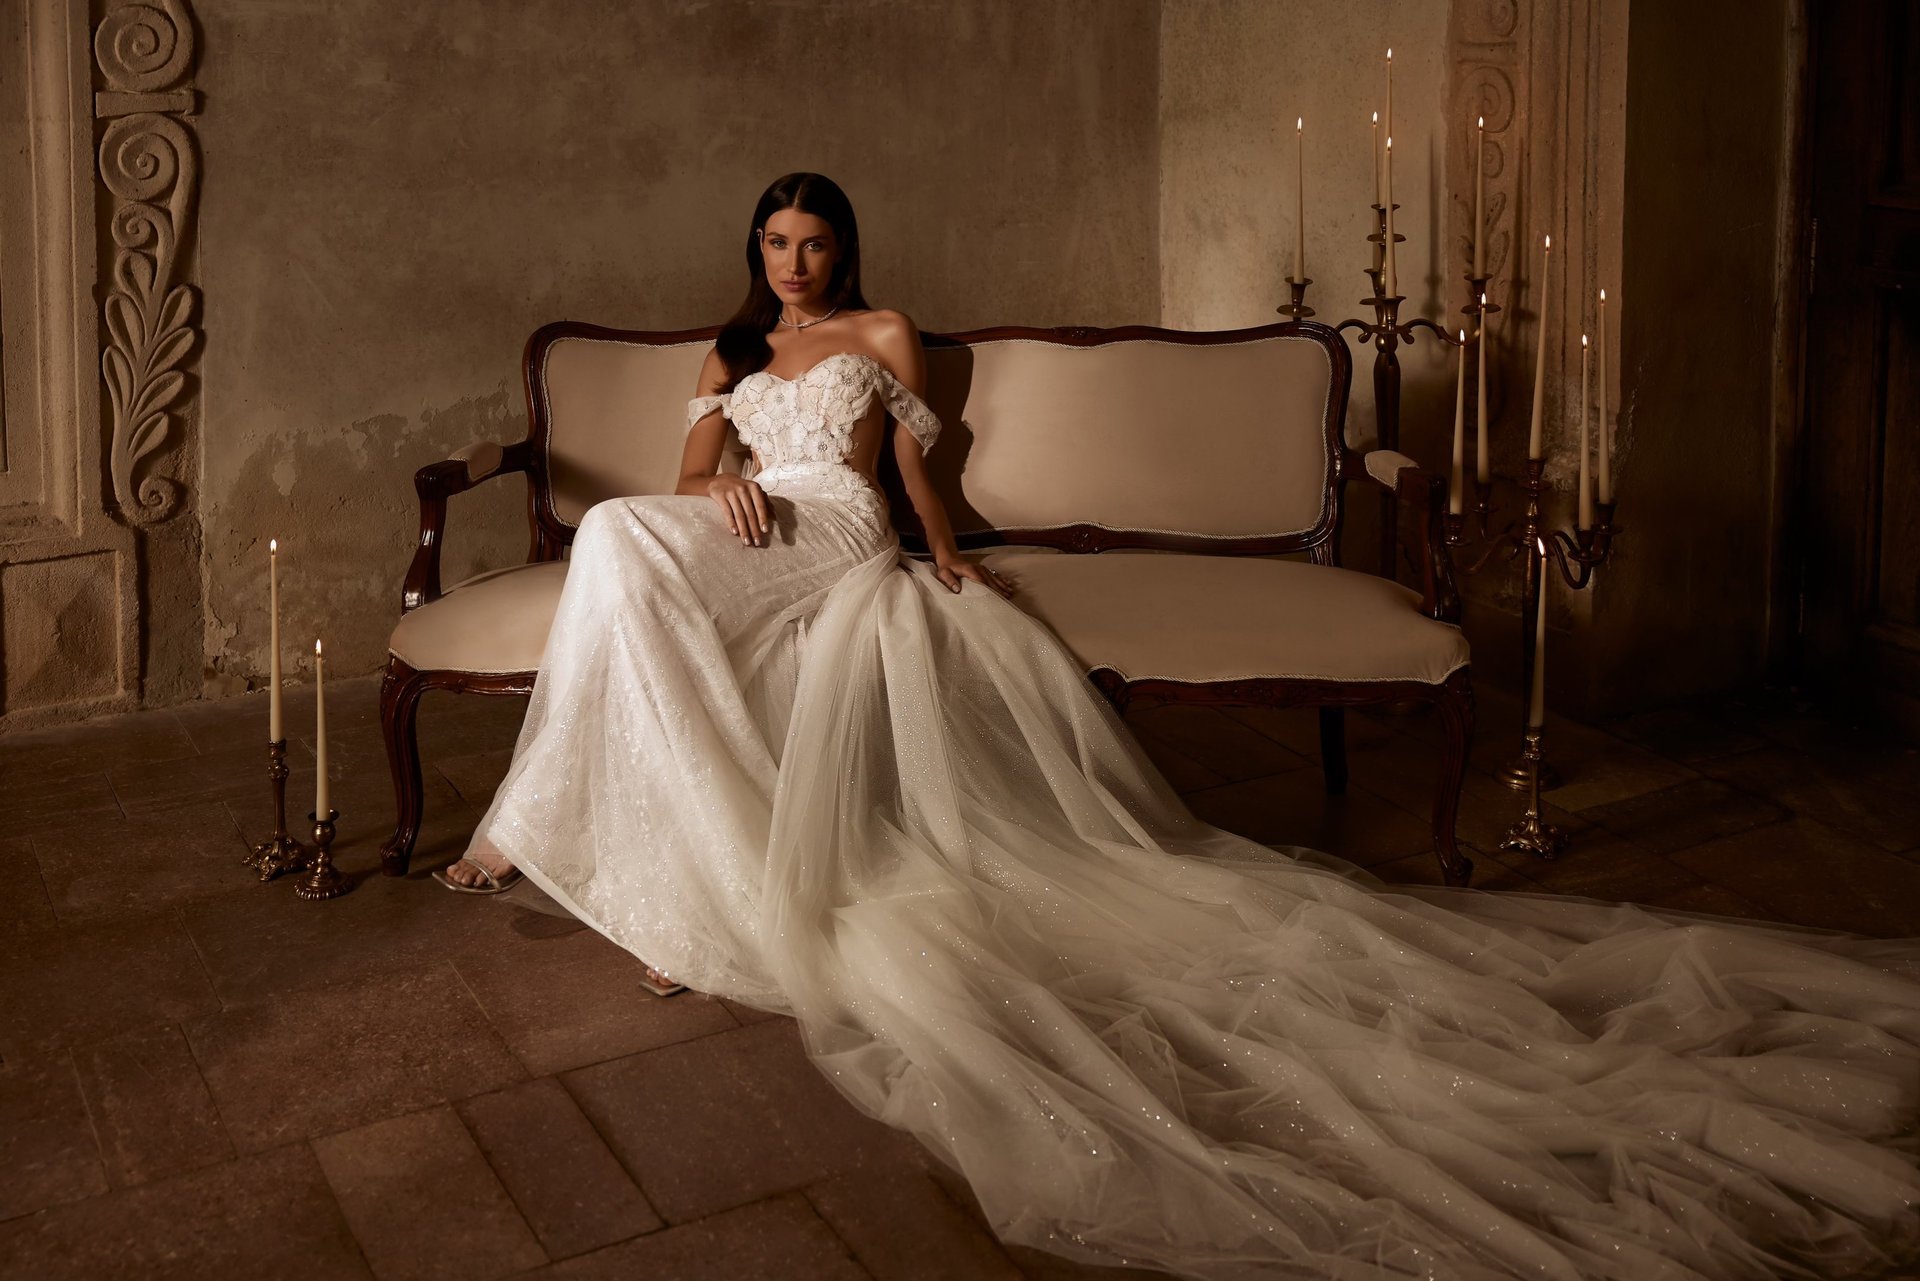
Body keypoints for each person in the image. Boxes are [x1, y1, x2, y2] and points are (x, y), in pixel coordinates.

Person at [440, 172, 1919, 1280]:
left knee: (621, 563)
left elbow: (902, 473)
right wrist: (711, 485)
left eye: (814, 239)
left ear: (845, 247)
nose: (794, 260)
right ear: (752, 253)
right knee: (629, 552)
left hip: (834, 529)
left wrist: (944, 563)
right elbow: (680, 470)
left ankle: (568, 840)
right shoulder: (725, 350)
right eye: (775, 242)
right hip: (734, 527)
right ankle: (649, 837)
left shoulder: (882, 333)